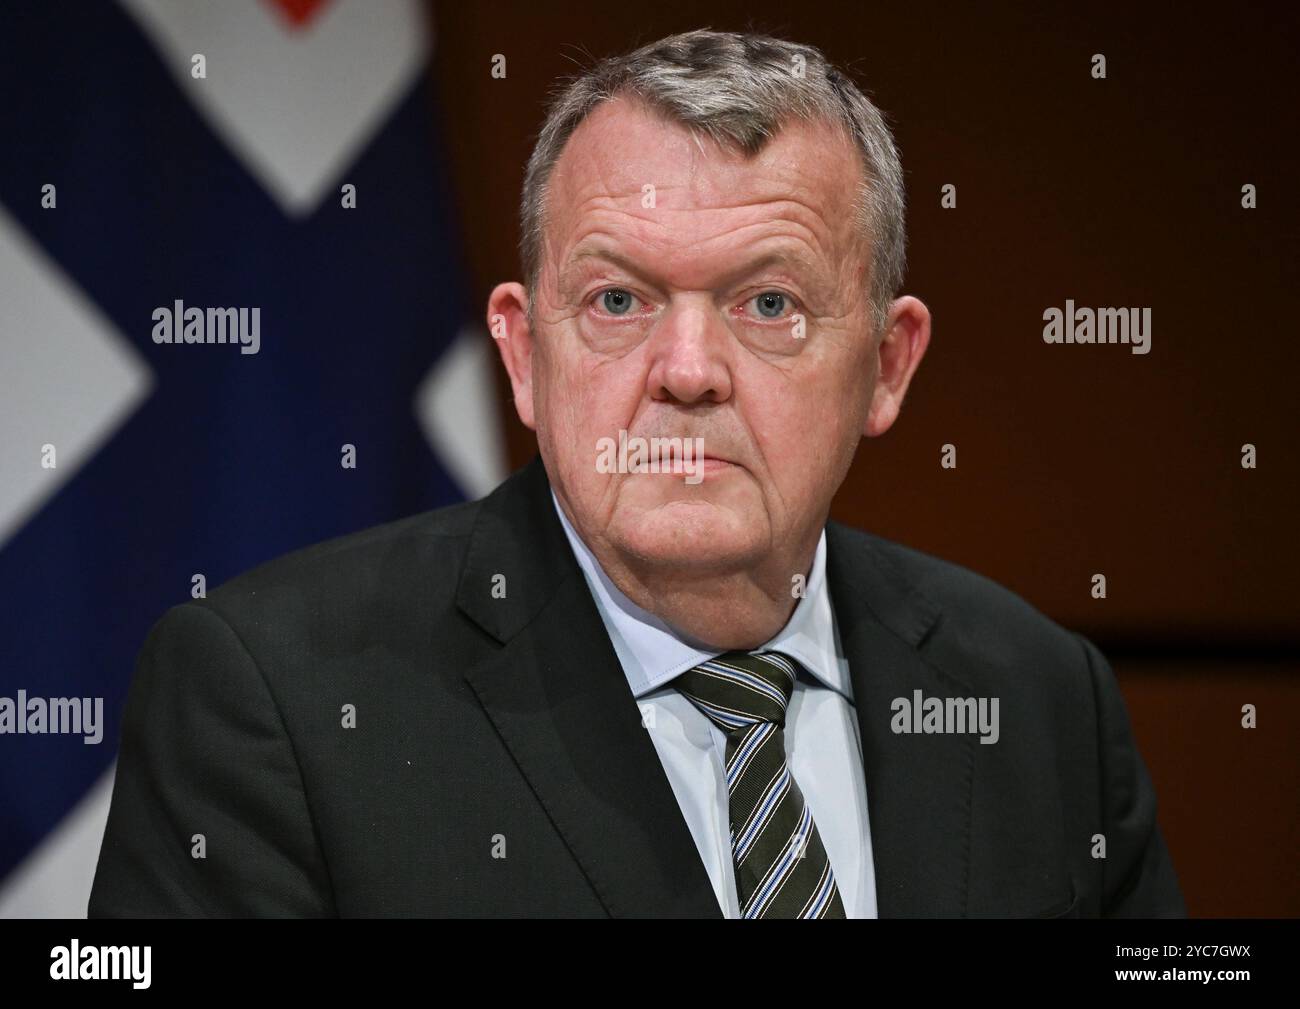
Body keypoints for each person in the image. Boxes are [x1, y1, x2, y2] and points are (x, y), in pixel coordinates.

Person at [89, 29, 1185, 918]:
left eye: (770, 304)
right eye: (618, 301)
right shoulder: (275, 697)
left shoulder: (1038, 700)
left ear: (888, 366)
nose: (689, 372)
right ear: (522, 355)